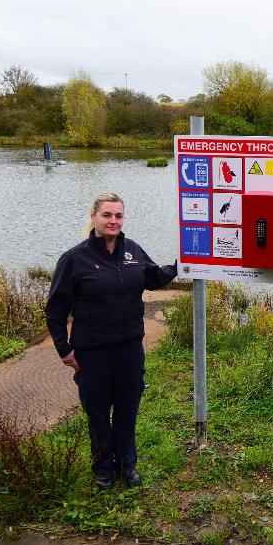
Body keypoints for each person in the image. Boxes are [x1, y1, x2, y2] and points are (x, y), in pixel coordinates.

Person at [45, 192, 176, 489]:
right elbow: (55, 310)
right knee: (99, 412)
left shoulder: (132, 251)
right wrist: (64, 349)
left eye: (118, 215)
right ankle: (103, 469)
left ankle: (127, 466)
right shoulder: (74, 259)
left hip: (129, 349)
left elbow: (153, 277)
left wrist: (186, 264)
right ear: (93, 217)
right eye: (106, 215)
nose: (113, 221)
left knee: (128, 409)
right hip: (93, 353)